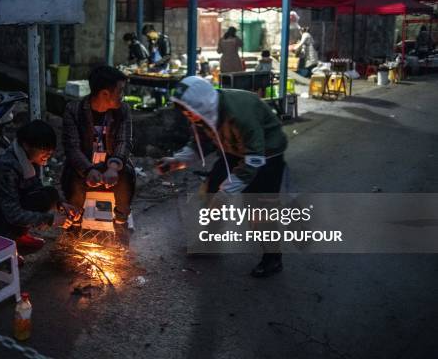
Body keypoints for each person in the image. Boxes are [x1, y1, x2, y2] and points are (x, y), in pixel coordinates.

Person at [156, 76, 288, 277]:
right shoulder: (202, 112)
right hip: (233, 150)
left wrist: (226, 193)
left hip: (266, 154)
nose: (187, 116)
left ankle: (273, 258)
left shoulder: (239, 115)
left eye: (187, 111)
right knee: (211, 192)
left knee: (259, 208)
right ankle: (210, 243)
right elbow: (202, 140)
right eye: (184, 111)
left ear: (202, 104)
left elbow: (254, 158)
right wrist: (177, 160)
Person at [0, 120, 81, 247]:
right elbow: (13, 215)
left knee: (49, 195)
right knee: (42, 200)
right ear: (26, 145)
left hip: (6, 212)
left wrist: (61, 204)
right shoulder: (6, 167)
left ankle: (18, 235)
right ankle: (8, 241)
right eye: (43, 149)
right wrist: (50, 220)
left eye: (50, 151)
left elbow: (37, 188)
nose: (47, 155)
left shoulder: (28, 159)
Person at [61, 65, 135, 237]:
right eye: (120, 90)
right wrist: (89, 170)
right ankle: (74, 224)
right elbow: (72, 147)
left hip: (111, 163)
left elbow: (124, 142)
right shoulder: (74, 111)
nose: (122, 95)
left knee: (127, 176)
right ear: (104, 94)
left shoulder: (122, 110)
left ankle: (121, 223)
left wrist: (113, 166)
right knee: (73, 178)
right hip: (84, 165)